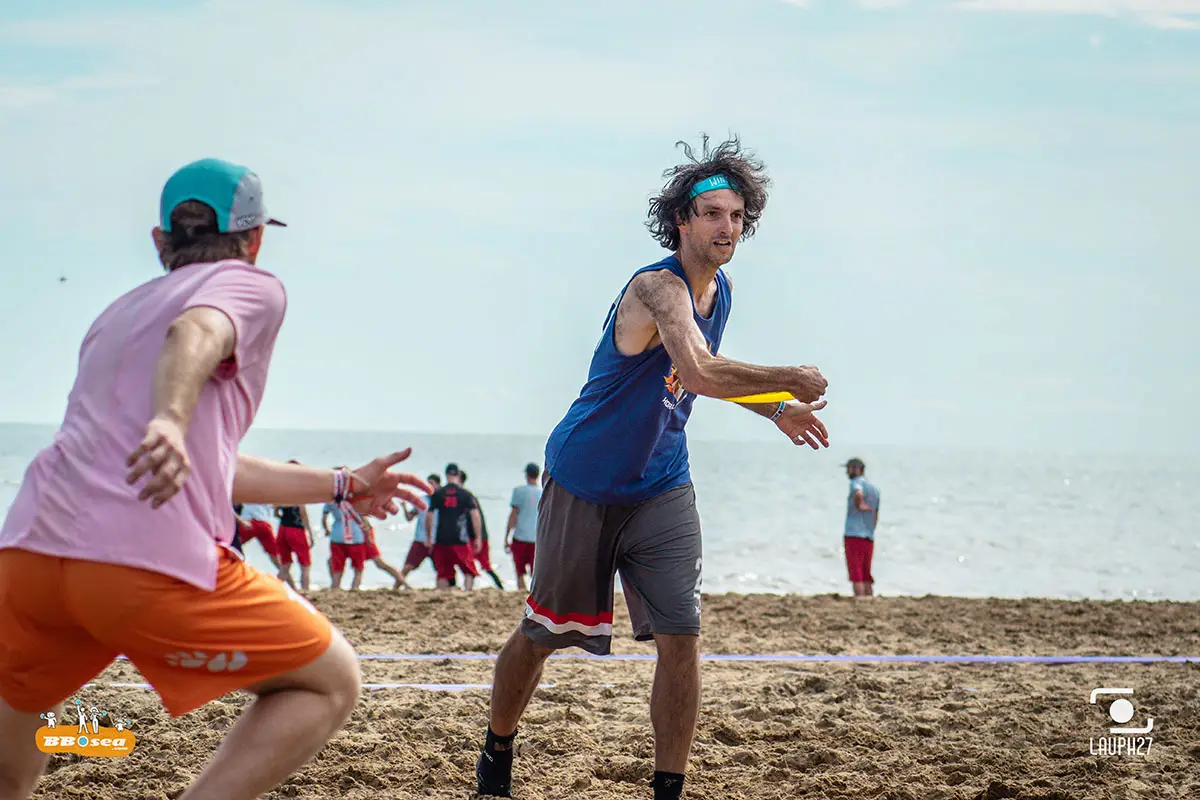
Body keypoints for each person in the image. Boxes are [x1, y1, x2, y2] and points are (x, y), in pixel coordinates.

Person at [0, 157, 431, 800]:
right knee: (330, 680)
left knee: (9, 764)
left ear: (160, 241)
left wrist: (343, 483)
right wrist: (171, 419)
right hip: (138, 565)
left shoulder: (115, 314)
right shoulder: (250, 286)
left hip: (30, 556)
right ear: (254, 239)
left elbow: (213, 468)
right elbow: (195, 330)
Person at [474, 136, 830, 800]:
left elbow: (704, 378)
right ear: (681, 222)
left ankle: (669, 787)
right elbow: (698, 370)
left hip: (662, 483)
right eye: (713, 214)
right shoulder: (657, 287)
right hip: (585, 479)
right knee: (544, 635)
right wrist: (789, 379)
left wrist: (776, 408)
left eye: (737, 216)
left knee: (681, 636)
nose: (727, 227)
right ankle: (497, 748)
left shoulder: (721, 292)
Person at [425, 462, 482, 591]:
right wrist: (478, 537)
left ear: (446, 475)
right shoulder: (465, 494)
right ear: (458, 475)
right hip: (459, 538)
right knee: (468, 571)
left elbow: (429, 516)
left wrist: (429, 537)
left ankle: (442, 595)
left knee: (443, 573)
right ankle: (467, 592)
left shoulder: (439, 494)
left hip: (442, 538)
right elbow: (475, 516)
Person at [843, 457, 880, 598]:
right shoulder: (874, 489)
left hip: (854, 533)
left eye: (849, 468)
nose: (847, 472)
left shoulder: (856, 483)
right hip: (868, 535)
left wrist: (860, 505)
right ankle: (869, 598)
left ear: (857, 469)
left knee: (856, 573)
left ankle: (859, 599)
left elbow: (857, 492)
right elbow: (876, 514)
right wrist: (871, 528)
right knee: (866, 573)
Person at [461, 470, 504, 590]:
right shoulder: (465, 496)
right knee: (473, 564)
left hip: (476, 536)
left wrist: (478, 537)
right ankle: (469, 588)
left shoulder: (467, 497)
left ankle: (500, 587)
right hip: (474, 536)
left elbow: (476, 517)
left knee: (484, 565)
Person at [399, 473, 441, 589]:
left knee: (441, 569)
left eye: (432, 484)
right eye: (428, 484)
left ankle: (442, 589)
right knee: (408, 566)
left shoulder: (442, 500)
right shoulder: (421, 500)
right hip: (420, 539)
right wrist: (404, 507)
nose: (429, 486)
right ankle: (396, 587)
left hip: (437, 540)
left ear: (438, 485)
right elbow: (409, 517)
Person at [505, 462, 542, 592]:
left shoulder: (519, 491)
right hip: (537, 538)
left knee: (519, 571)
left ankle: (522, 591)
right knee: (535, 572)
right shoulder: (543, 493)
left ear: (526, 475)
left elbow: (513, 515)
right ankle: (533, 593)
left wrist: (506, 536)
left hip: (520, 536)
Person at [322, 491, 368, 591]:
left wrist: (326, 530)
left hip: (337, 536)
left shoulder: (330, 501)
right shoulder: (355, 500)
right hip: (355, 536)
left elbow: (324, 519)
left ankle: (335, 590)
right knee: (358, 569)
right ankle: (354, 590)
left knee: (337, 570)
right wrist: (367, 534)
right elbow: (362, 518)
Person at [275, 494, 315, 592]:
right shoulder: (298, 496)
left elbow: (276, 513)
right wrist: (310, 533)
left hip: (282, 529)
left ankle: (274, 590)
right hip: (296, 529)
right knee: (305, 566)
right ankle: (305, 591)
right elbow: (303, 514)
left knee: (285, 565)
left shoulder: (282, 497)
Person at [360, 515, 405, 590]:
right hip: (357, 537)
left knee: (380, 563)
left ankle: (404, 583)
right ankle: (404, 583)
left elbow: (363, 520)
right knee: (359, 566)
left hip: (364, 537)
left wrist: (368, 537)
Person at [234, 502, 280, 569]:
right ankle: (284, 572)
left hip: (246, 521)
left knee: (232, 547)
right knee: (274, 553)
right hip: (263, 522)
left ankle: (236, 570)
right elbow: (276, 509)